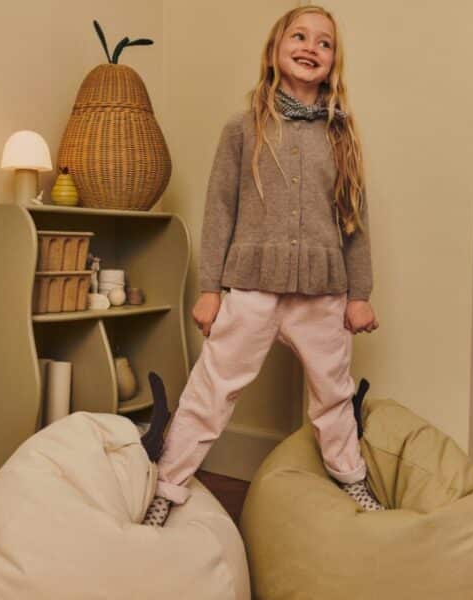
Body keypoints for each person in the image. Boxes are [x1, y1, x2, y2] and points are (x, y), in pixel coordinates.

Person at [142, 5, 384, 527]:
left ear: (334, 61)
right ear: (275, 50)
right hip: (251, 289)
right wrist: (211, 288)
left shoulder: (341, 134)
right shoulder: (242, 127)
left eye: (324, 43)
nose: (310, 47)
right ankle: (166, 487)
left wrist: (360, 293)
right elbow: (219, 209)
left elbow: (355, 218)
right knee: (211, 389)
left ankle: (351, 478)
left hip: (323, 293)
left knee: (333, 394)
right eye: (299, 36)